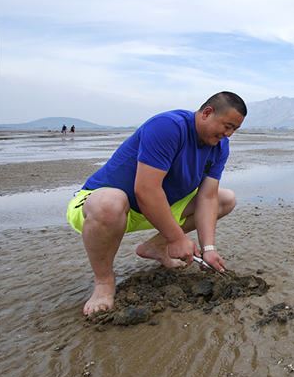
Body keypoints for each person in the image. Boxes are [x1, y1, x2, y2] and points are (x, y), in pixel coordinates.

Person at [66, 91, 246, 316]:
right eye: (227, 126)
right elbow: (146, 190)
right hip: (105, 206)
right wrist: (177, 238)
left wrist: (208, 249)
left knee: (225, 199)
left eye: (234, 130)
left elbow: (207, 197)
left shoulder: (220, 146)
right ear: (207, 113)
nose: (228, 135)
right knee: (109, 203)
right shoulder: (168, 127)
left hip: (156, 209)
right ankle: (104, 282)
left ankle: (155, 247)